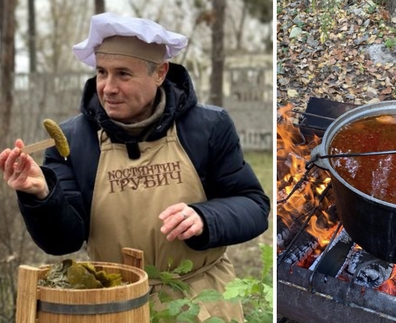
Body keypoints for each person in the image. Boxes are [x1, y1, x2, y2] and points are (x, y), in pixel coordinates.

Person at [0, 12, 270, 322]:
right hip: (112, 304)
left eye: (123, 74)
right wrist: (42, 194)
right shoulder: (75, 139)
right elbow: (64, 241)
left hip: (199, 303)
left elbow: (254, 205)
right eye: (102, 72)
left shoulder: (207, 127)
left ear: (159, 73)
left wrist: (205, 218)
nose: (108, 88)